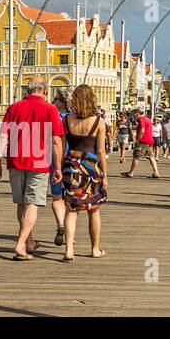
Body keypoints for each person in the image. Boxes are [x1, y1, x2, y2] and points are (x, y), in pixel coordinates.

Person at [0, 76, 63, 260]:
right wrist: (58, 167)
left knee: (22, 202)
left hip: (15, 160)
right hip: (39, 162)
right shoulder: (50, 109)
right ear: (45, 91)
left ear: (27, 90)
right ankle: (21, 244)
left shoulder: (14, 108)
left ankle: (29, 242)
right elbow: (56, 140)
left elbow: (2, 136)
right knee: (32, 203)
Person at [60, 85, 108, 259]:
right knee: (93, 209)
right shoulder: (99, 122)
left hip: (71, 164)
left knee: (71, 209)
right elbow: (101, 151)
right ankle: (95, 249)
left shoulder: (66, 120)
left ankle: (69, 250)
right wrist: (105, 176)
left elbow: (61, 145)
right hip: (91, 165)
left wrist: (59, 169)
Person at [48, 89, 71, 247]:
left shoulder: (53, 118)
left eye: (55, 99)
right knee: (70, 198)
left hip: (54, 160)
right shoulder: (73, 119)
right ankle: (70, 232)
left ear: (62, 102)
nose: (53, 101)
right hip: (72, 161)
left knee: (57, 198)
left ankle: (61, 225)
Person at [122, 108, 161, 179]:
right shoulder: (148, 119)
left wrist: (137, 139)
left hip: (143, 141)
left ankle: (131, 172)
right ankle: (156, 172)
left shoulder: (141, 120)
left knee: (136, 156)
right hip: (150, 140)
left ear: (137, 114)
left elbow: (142, 130)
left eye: (134, 115)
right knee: (151, 156)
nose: (134, 117)